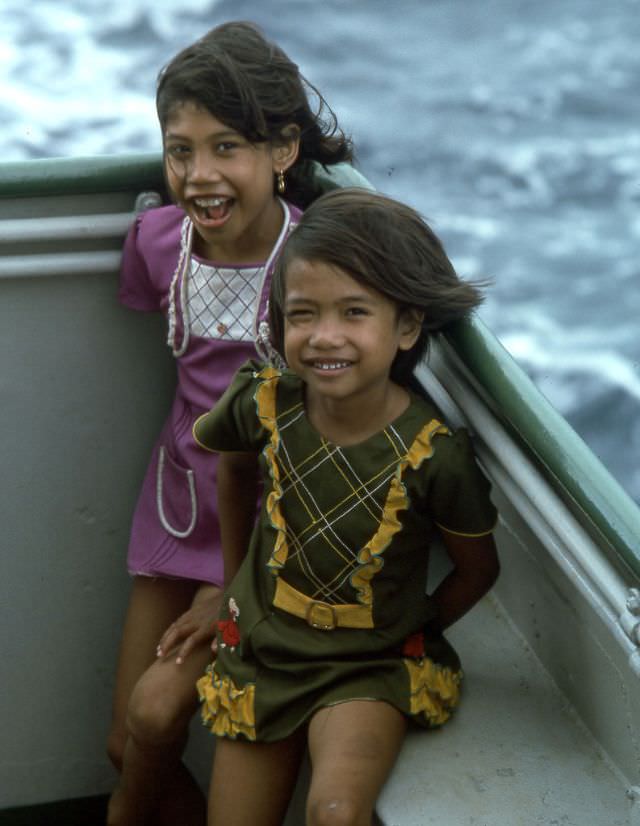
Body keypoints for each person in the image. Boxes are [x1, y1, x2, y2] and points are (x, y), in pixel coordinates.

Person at [106, 21, 353, 826]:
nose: (198, 176)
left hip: (272, 529)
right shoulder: (157, 243)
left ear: (283, 152)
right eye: (180, 150)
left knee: (156, 711)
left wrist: (232, 586)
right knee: (127, 743)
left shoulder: (314, 269)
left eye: (226, 149)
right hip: (180, 506)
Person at [193, 187, 501, 826]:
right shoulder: (265, 403)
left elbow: (478, 569)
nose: (324, 337)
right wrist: (233, 585)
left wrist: (415, 631)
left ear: (407, 325)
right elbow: (233, 468)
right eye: (303, 315)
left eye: (354, 312)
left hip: (366, 666)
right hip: (264, 650)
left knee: (335, 811)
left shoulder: (431, 454)